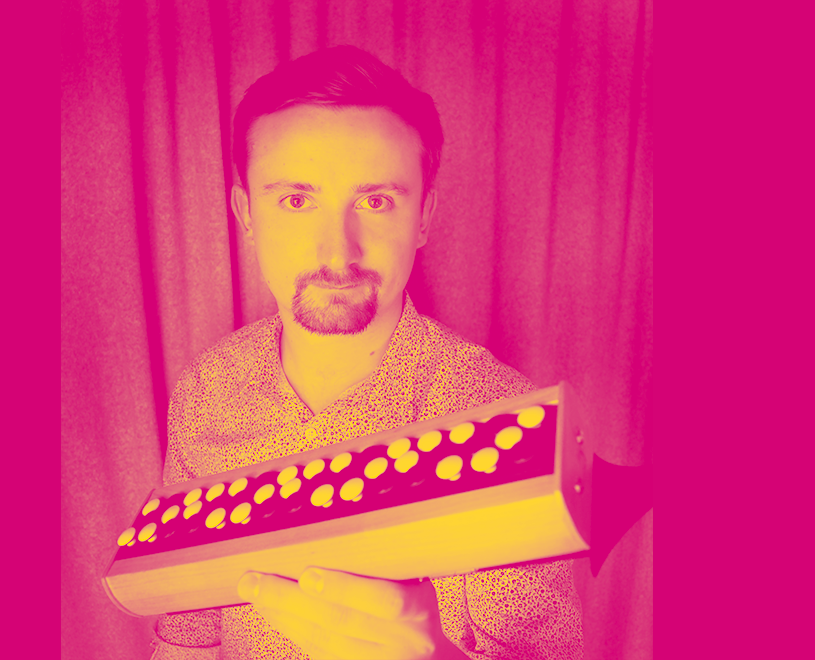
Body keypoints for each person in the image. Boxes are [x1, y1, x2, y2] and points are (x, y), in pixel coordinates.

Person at [151, 45, 583, 660]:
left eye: (376, 201)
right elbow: (188, 637)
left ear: (424, 216)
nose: (337, 253)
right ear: (246, 213)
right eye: (296, 200)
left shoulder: (507, 421)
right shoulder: (207, 389)